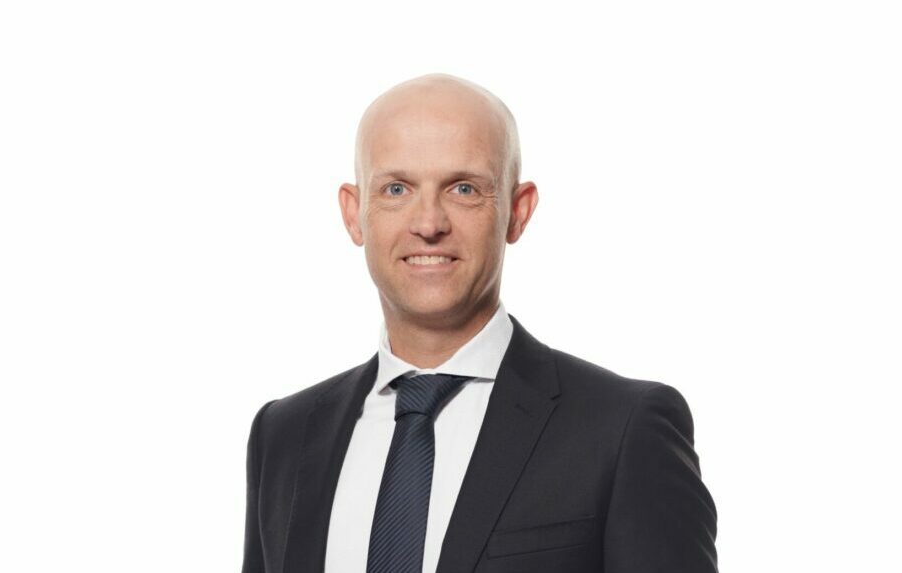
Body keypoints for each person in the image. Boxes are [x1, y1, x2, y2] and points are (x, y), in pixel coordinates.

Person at [241, 73, 718, 573]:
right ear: (354, 213)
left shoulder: (622, 428)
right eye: (397, 188)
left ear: (517, 211)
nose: (428, 224)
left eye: (463, 188)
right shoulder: (284, 435)